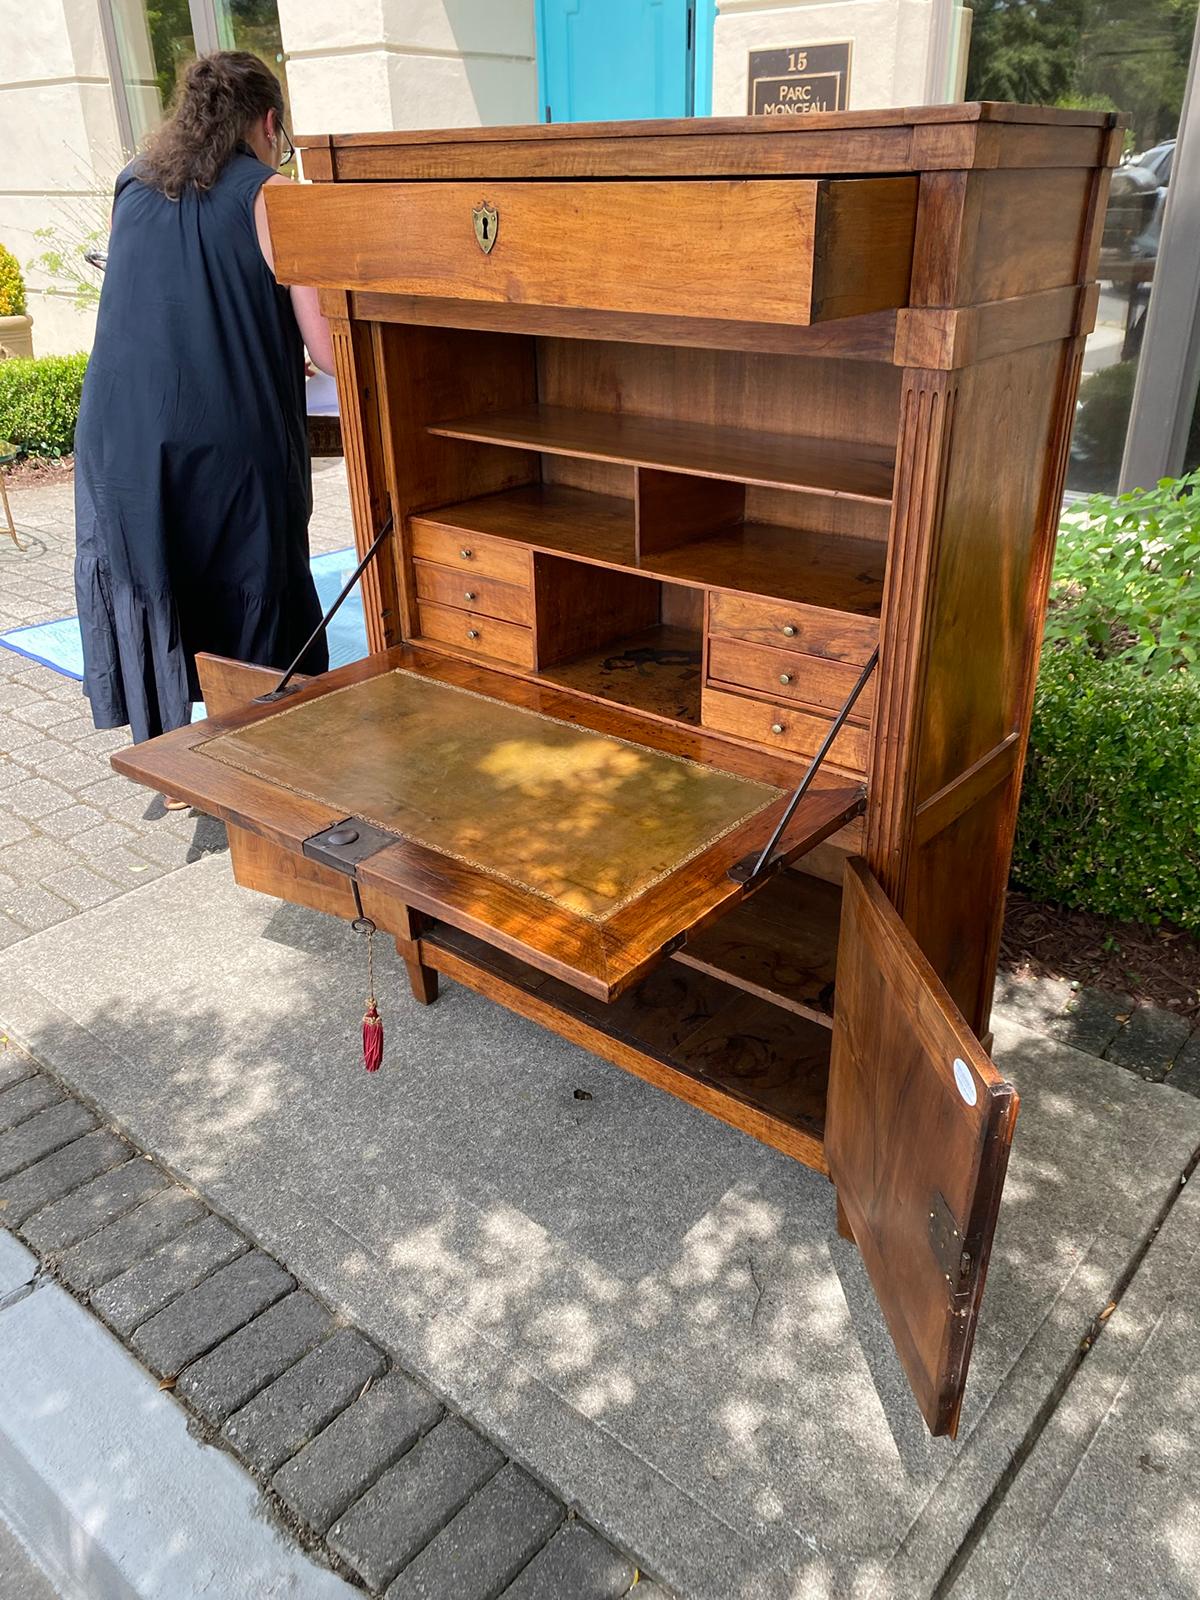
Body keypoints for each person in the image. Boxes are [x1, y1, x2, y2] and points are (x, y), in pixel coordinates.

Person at [74, 50, 335, 801]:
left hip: (118, 435)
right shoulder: (274, 196)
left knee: (157, 572)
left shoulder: (133, 183)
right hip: (224, 430)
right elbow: (324, 347)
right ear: (270, 123)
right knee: (249, 572)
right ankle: (261, 756)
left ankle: (180, 755)